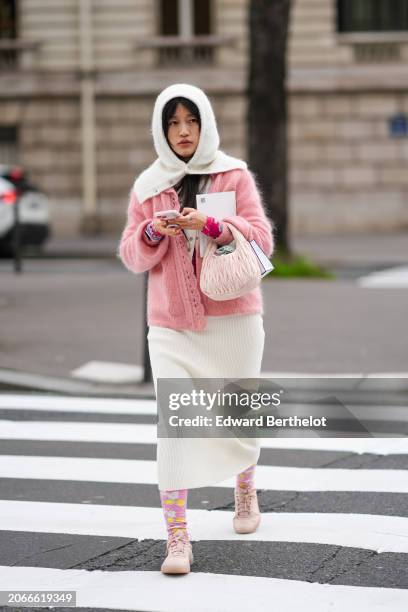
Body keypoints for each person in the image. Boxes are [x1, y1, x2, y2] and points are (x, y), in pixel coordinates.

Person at [117, 83, 275, 575]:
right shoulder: (148, 186)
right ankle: (177, 539)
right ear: (161, 131)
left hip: (234, 317)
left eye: (191, 121)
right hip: (171, 326)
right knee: (175, 429)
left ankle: (244, 489)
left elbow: (263, 237)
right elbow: (130, 254)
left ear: (205, 123)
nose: (183, 132)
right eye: (172, 123)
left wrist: (209, 226)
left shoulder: (234, 174)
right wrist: (149, 233)